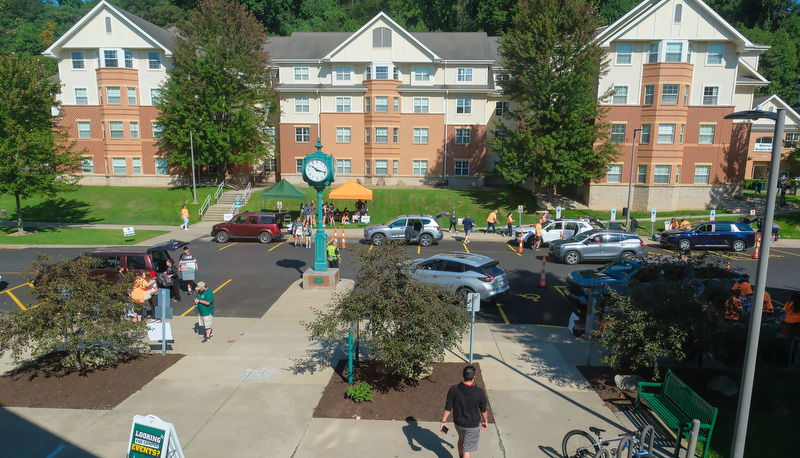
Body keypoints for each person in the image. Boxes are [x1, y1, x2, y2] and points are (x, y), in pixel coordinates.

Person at [440, 365, 488, 458]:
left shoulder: (454, 389)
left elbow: (448, 407)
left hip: (459, 424)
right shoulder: (479, 392)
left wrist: (443, 421)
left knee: (461, 439)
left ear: (463, 376)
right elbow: (483, 409)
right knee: (468, 450)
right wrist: (485, 420)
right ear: (474, 377)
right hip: (472, 426)